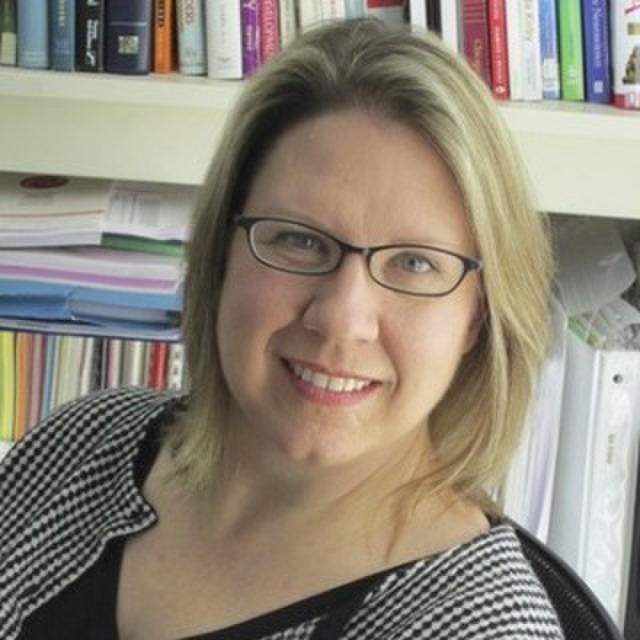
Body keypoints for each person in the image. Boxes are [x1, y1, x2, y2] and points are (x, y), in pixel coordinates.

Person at [0, 17, 563, 640]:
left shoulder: (482, 628)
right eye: (298, 240)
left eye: (415, 263)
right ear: (221, 253)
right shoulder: (84, 444)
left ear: (478, 317)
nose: (342, 319)